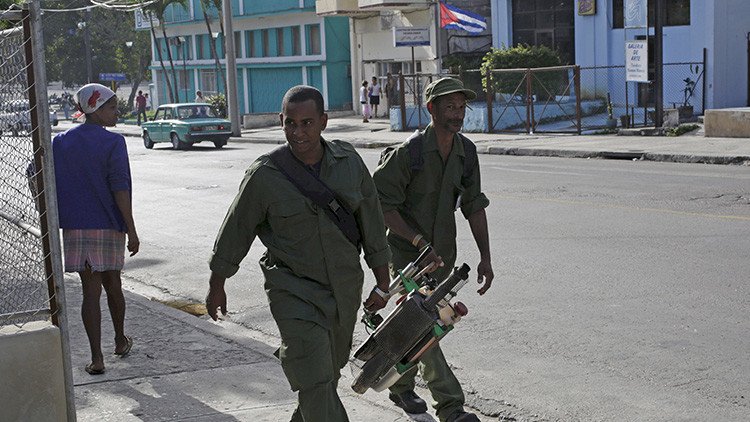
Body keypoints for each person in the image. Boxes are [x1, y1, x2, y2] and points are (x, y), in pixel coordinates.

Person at [205, 85, 392, 422]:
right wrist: (217, 282)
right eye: (290, 123)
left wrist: (383, 282)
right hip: (292, 290)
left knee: (326, 375)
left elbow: (373, 225)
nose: (298, 132)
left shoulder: (349, 164)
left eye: (307, 123)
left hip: (344, 288)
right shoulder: (265, 175)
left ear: (323, 121)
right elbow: (237, 229)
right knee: (315, 379)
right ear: (281, 121)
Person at [372, 77, 494, 422]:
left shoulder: (466, 152)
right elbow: (380, 204)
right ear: (431, 109)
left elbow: (474, 205)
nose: (457, 114)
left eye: (461, 107)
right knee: (427, 324)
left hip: (442, 255)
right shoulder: (408, 154)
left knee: (420, 325)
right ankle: (451, 407)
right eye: (449, 107)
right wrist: (417, 242)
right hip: (405, 255)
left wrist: (486, 257)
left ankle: (399, 384)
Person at [52, 83, 140, 375]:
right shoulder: (113, 143)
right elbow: (120, 188)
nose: (116, 112)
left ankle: (96, 358)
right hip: (109, 225)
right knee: (114, 285)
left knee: (90, 292)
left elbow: (35, 173)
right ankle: (119, 339)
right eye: (112, 107)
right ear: (96, 109)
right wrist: (131, 228)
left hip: (77, 226)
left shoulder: (60, 141)